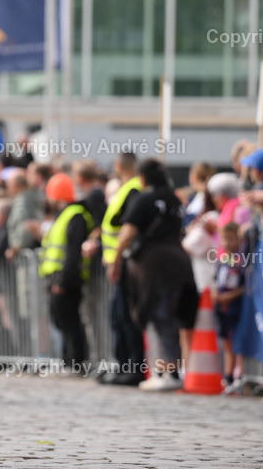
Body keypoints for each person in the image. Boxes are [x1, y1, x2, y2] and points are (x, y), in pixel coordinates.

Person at [109, 159, 198, 391]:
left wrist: (116, 260)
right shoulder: (174, 199)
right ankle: (173, 371)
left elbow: (127, 233)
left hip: (155, 267)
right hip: (180, 262)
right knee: (171, 320)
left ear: (143, 178)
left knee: (158, 318)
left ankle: (164, 373)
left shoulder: (145, 199)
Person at [93, 153, 146, 386]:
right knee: (117, 316)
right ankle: (123, 365)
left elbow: (127, 228)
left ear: (118, 166)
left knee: (126, 316)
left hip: (124, 263)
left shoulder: (132, 189)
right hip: (117, 262)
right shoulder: (126, 189)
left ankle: (132, 369)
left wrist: (116, 260)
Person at [38, 173, 92, 374]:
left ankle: (75, 363)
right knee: (61, 322)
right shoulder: (64, 216)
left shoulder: (75, 216)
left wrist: (62, 281)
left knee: (70, 323)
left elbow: (73, 252)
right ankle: (67, 361)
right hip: (57, 278)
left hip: (67, 279)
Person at [214, 223, 245, 387]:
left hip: (234, 307)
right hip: (222, 308)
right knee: (225, 341)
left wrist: (230, 296)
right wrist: (215, 294)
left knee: (236, 341)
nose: (226, 243)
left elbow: (245, 287)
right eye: (224, 239)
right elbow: (215, 280)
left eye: (230, 239)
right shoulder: (222, 260)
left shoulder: (241, 262)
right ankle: (228, 375)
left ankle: (238, 373)